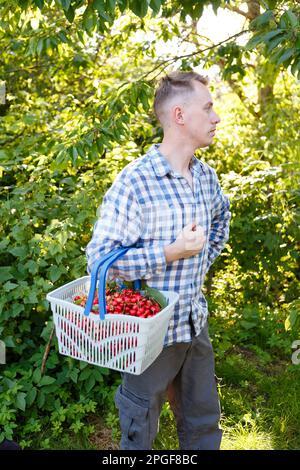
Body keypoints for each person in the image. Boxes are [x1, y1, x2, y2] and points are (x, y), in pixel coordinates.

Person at [86, 70, 231, 450]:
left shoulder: (206, 177)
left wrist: (196, 263)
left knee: (203, 423)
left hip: (193, 323)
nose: (216, 117)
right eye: (208, 107)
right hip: (149, 337)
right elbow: (99, 260)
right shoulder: (135, 182)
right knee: (139, 430)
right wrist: (171, 252)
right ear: (180, 115)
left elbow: (221, 221)